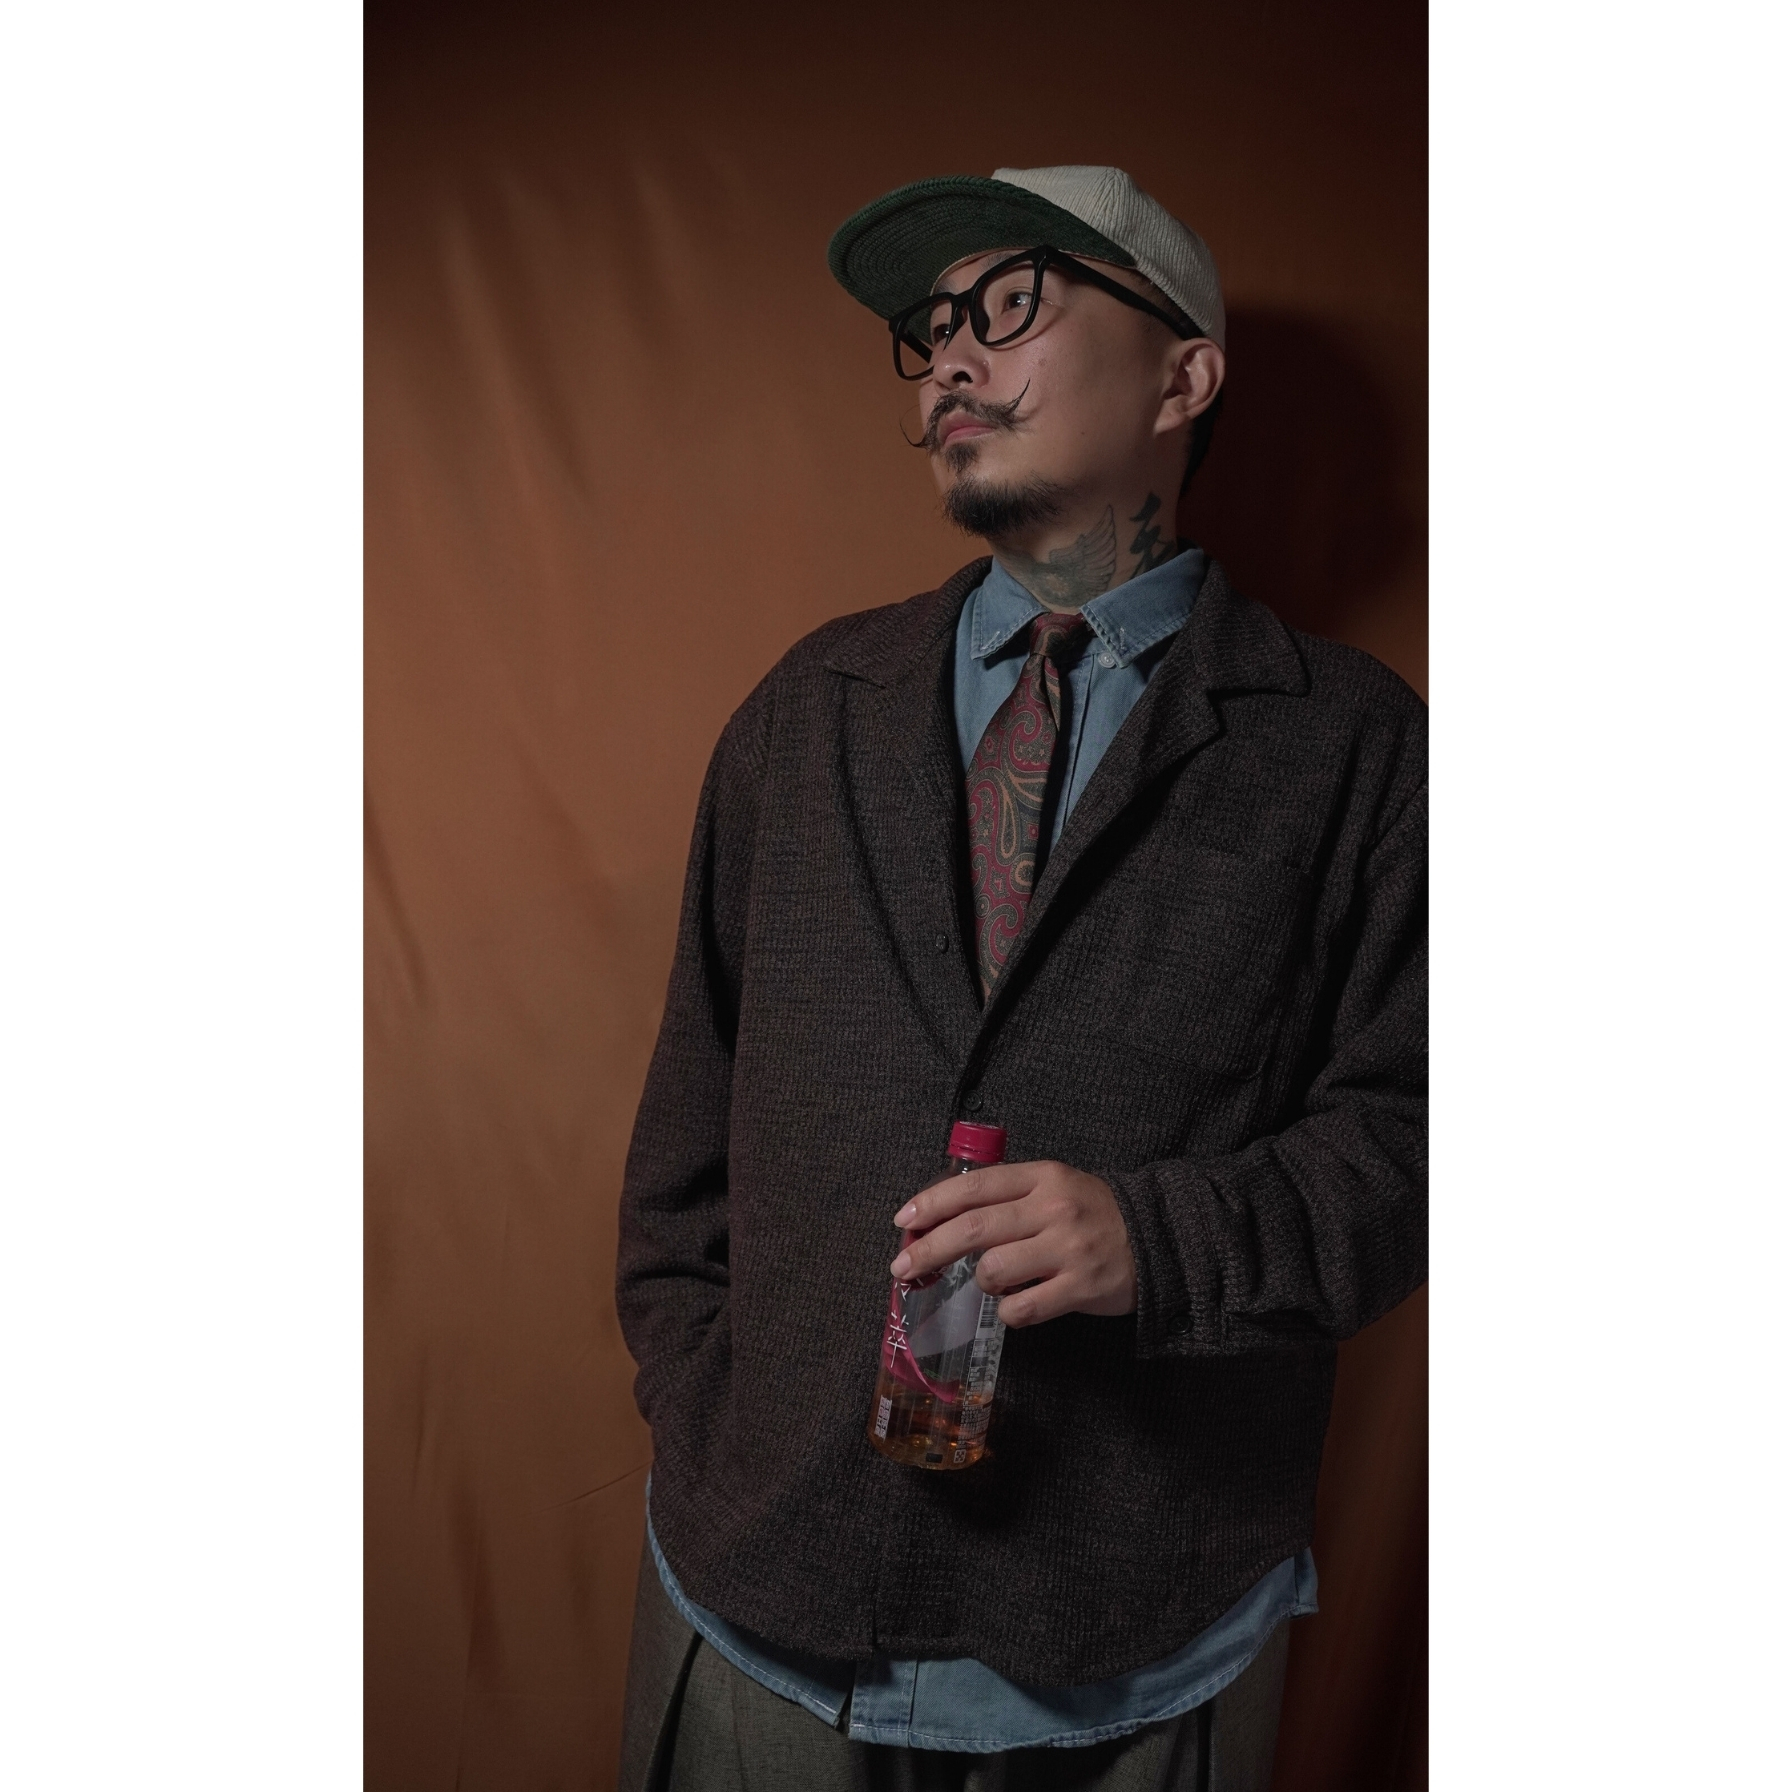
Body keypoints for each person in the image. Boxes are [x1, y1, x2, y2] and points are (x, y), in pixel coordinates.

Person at [615, 164, 1427, 1792]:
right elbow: (687, 1126)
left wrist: (1161, 1240)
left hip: (1142, 1623)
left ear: (1184, 376)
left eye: (1013, 304)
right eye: (930, 331)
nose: (950, 361)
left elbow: (1424, 1142)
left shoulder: (1356, 746)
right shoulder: (808, 708)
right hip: (762, 1591)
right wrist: (707, 1406)